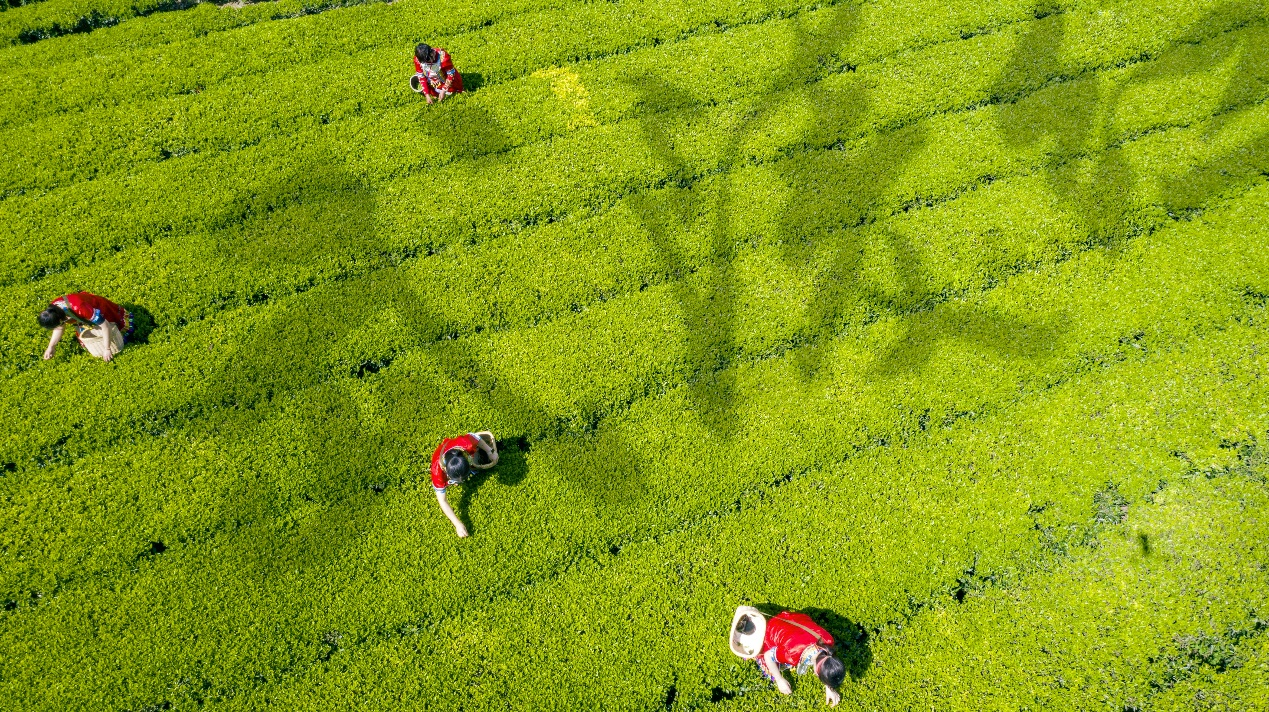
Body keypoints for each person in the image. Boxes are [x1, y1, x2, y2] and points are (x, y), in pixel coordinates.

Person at [752, 610, 845, 707]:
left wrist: (829, 687)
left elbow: (827, 664)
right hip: (775, 627)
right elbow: (768, 656)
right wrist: (779, 680)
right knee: (771, 665)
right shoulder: (792, 655)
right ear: (816, 673)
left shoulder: (828, 641)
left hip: (796, 619)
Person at [430, 431, 498, 537]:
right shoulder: (437, 471)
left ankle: (470, 469)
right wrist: (457, 524)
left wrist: (490, 451)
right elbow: (442, 501)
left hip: (459, 449)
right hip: (445, 455)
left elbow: (477, 438)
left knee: (478, 464)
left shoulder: (466, 444)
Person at [39, 292, 134, 363]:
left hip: (98, 308)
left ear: (60, 319)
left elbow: (105, 326)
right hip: (81, 317)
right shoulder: (53, 311)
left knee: (115, 328)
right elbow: (59, 328)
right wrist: (51, 347)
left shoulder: (80, 308)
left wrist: (107, 349)